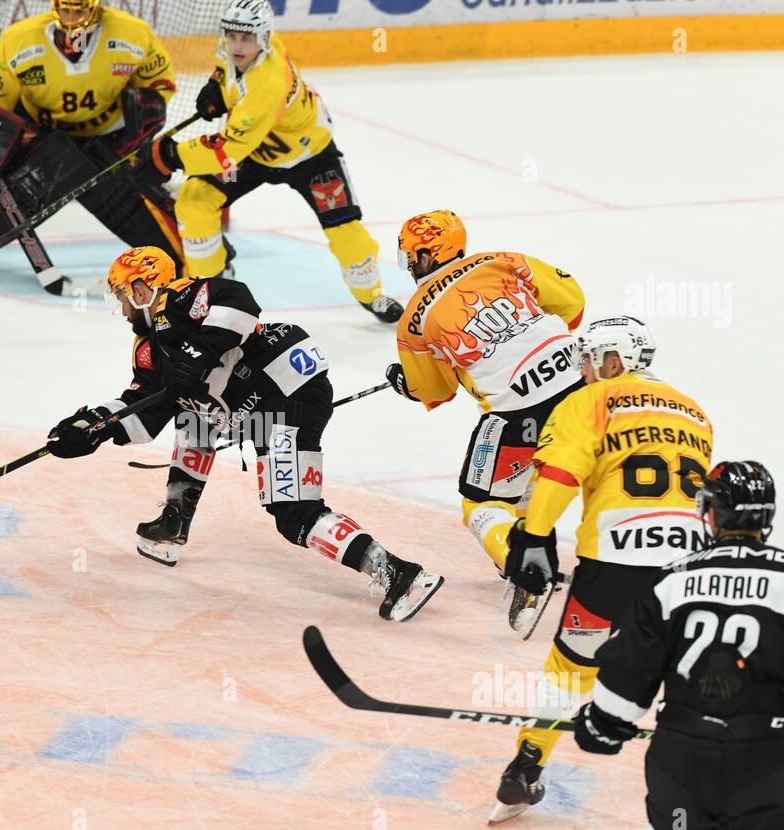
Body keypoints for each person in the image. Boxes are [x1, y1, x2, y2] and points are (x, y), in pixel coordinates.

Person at [46, 245, 444, 621]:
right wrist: (93, 428)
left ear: (142, 288)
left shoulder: (181, 297)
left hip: (285, 390)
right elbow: (144, 407)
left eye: (122, 296)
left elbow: (238, 301)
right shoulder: (148, 349)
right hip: (261, 407)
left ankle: (399, 573)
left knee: (294, 515)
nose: (121, 307)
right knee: (194, 420)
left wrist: (198, 353)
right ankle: (175, 518)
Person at [573, 461, 784, 830]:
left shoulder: (669, 579)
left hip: (679, 761)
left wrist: (605, 720)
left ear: (712, 511)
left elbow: (630, 668)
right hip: (762, 762)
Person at [489, 314, 715, 823]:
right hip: (687, 568)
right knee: (690, 672)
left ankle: (525, 766)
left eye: (591, 360)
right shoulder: (696, 412)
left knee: (569, 671)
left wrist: (533, 535)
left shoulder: (591, 400)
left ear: (616, 361)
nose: (585, 370)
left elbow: (561, 474)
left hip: (614, 559)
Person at [132, 0, 402, 322]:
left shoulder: (266, 84)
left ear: (264, 38)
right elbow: (227, 72)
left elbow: (227, 150)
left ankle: (371, 295)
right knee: (194, 200)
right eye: (232, 36)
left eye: (246, 39)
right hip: (256, 155)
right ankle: (214, 287)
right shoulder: (236, 48)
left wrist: (171, 155)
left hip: (309, 155)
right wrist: (217, 87)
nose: (237, 45)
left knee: (345, 231)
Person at [385, 209, 585, 615]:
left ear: (426, 256)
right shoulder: (503, 261)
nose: (410, 264)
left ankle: (525, 568)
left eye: (412, 255)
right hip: (582, 388)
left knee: (482, 505)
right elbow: (573, 304)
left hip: (517, 414)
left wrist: (407, 383)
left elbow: (436, 392)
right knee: (536, 480)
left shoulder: (413, 320)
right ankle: (539, 549)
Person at [0, 0, 184, 277]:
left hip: (109, 142)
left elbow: (158, 85)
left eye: (79, 10)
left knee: (181, 255)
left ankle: (192, 251)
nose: (71, 18)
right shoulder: (20, 40)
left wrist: (136, 132)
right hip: (43, 143)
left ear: (96, 8)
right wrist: (11, 144)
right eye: (66, 10)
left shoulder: (132, 34)